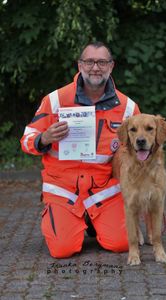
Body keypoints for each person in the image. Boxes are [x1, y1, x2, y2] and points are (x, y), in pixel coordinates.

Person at [20, 41, 141, 258]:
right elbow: (27, 139)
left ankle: (93, 220)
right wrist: (44, 138)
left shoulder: (128, 107)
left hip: (104, 190)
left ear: (111, 66)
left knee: (122, 244)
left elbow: (137, 149)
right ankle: (60, 215)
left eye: (102, 62)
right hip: (63, 189)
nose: (96, 67)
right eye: (89, 61)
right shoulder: (56, 100)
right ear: (79, 65)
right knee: (62, 250)